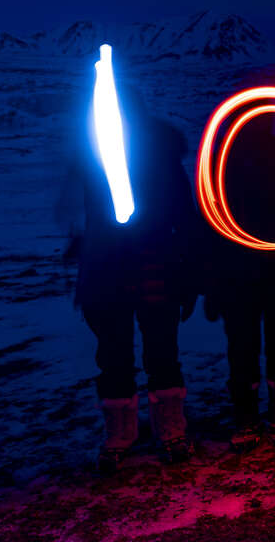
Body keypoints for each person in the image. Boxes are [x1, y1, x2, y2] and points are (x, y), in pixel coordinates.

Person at [58, 89, 202, 473]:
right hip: (112, 268)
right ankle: (127, 433)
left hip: (150, 265)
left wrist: (189, 271)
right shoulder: (93, 156)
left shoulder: (160, 158)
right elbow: (80, 213)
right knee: (115, 355)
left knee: (158, 352)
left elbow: (183, 215)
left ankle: (165, 429)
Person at [202, 115, 275, 452]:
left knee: (248, 342)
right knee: (269, 340)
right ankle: (272, 414)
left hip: (252, 263)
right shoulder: (237, 158)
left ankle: (255, 416)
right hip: (263, 263)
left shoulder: (227, 158)